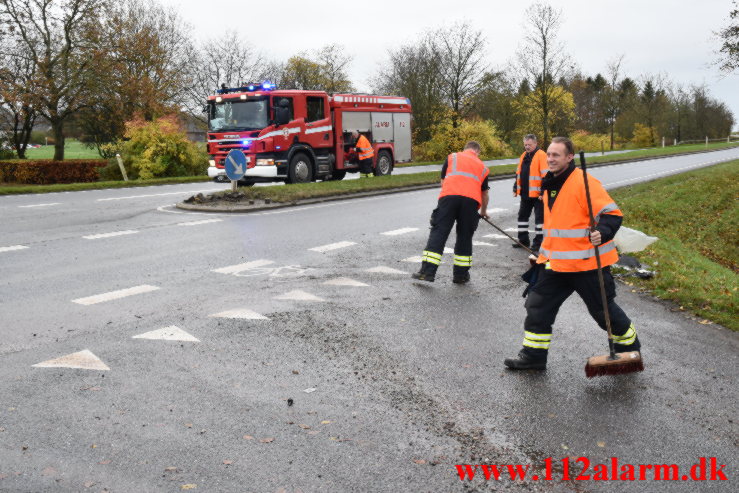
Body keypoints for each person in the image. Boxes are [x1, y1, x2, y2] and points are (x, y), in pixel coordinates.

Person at [504, 137, 641, 370]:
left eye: (556, 155)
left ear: (569, 157)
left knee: (602, 312)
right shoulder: (549, 184)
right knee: (537, 305)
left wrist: (603, 231)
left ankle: (629, 349)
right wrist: (541, 255)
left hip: (587, 264)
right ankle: (533, 357)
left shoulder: (584, 182)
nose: (550, 158)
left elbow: (612, 214)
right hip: (557, 264)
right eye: (548, 154)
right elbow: (558, 227)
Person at [412, 141, 490, 284]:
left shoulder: (452, 157)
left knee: (439, 232)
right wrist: (483, 212)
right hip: (471, 202)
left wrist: (449, 198)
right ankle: (460, 276)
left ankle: (427, 272)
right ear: (477, 152)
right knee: (465, 236)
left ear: (465, 149)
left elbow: (443, 182)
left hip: (449, 198)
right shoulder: (483, 167)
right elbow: (484, 194)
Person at [512, 134, 547, 255]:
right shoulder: (524, 155)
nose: (527, 147)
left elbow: (546, 175)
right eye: (525, 145)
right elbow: (518, 173)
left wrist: (543, 191)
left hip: (538, 195)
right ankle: (523, 240)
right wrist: (515, 187)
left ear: (535, 144)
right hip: (525, 194)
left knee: (539, 220)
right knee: (522, 217)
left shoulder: (541, 155)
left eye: (529, 145)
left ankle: (539, 243)